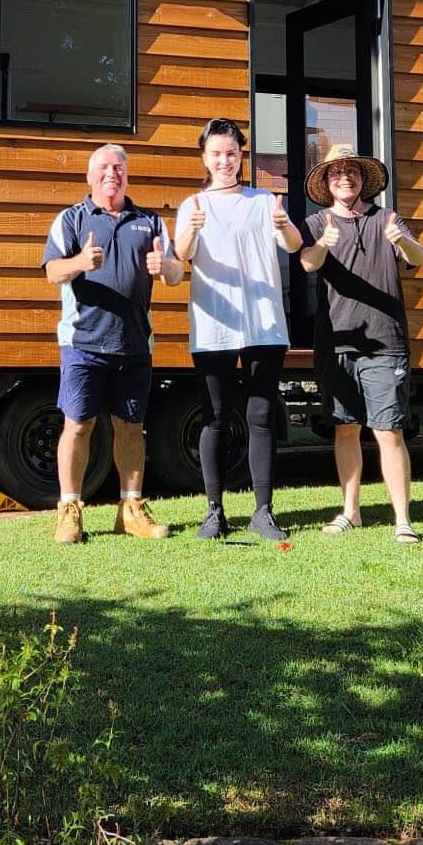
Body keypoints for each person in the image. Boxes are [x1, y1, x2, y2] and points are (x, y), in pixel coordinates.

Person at [41, 143, 185, 545]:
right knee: (78, 424)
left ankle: (132, 509)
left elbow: (175, 273)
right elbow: (52, 271)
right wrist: (80, 263)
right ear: (89, 177)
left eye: (119, 167)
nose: (112, 173)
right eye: (103, 167)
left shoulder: (150, 222)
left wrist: (166, 268)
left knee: (131, 428)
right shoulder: (71, 219)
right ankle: (70, 511)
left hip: (135, 343)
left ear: (127, 175)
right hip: (82, 342)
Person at [173, 118, 302, 542]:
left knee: (261, 416)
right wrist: (190, 232)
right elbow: (182, 256)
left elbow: (295, 244)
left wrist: (283, 222)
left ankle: (263, 512)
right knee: (214, 418)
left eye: (232, 153)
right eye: (217, 154)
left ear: (241, 156)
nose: (225, 161)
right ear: (204, 159)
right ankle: (214, 512)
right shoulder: (193, 205)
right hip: (214, 324)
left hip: (264, 323)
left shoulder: (264, 202)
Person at [299, 143, 423, 543]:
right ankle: (350, 513)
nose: (344, 177)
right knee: (345, 428)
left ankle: (402, 520)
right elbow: (307, 262)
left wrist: (401, 241)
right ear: (326, 181)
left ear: (362, 179)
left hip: (385, 343)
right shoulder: (318, 222)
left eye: (351, 171)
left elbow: (419, 258)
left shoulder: (387, 218)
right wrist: (324, 244)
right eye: (335, 172)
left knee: (388, 430)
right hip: (336, 344)